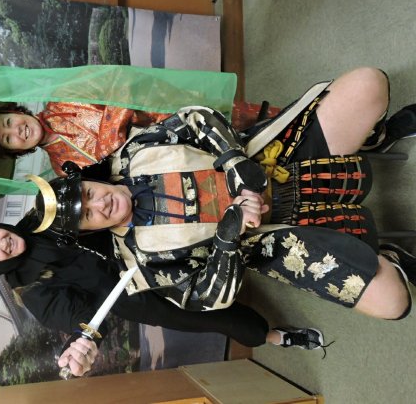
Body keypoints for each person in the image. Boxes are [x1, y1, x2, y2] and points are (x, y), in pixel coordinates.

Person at [33, 67, 414, 322]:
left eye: (89, 193)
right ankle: (388, 256)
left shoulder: (133, 153)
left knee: (368, 83)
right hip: (276, 240)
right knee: (393, 303)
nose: (100, 203)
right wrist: (227, 244)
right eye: (87, 214)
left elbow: (194, 118)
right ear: (88, 231)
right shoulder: (141, 262)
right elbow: (206, 297)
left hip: (271, 157)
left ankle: (375, 139)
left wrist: (233, 162)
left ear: (89, 181)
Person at [0, 212, 328, 378]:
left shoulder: (41, 214)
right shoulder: (32, 292)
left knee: (223, 243)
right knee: (213, 317)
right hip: (138, 295)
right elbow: (82, 321)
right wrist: (82, 344)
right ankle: (275, 336)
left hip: (145, 242)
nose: (2, 244)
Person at [0, 63, 237, 197]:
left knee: (247, 127)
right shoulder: (62, 168)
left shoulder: (64, 95)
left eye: (8, 122)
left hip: (175, 116)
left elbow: (120, 81)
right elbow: (111, 178)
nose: (17, 131)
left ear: (16, 111)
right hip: (167, 165)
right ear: (15, 151)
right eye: (8, 140)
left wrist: (111, 141)